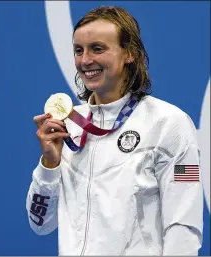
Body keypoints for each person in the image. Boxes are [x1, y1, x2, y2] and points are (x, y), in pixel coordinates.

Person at [26, 6, 203, 256]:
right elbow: (40, 224)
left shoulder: (171, 124)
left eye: (97, 48)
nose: (85, 60)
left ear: (130, 53)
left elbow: (184, 225)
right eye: (79, 50)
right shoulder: (69, 125)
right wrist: (49, 165)